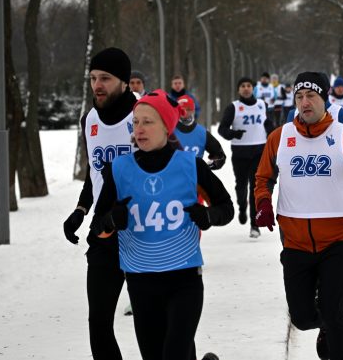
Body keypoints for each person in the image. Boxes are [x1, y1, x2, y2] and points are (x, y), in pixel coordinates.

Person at [254, 71, 343, 360]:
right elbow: (263, 177)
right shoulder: (280, 138)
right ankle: (325, 324)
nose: (305, 102)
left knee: (334, 313)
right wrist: (263, 203)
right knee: (302, 318)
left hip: (335, 242)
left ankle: (333, 326)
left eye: (311, 96)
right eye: (299, 97)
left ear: (325, 99)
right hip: (295, 244)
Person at [90, 89, 233, 360]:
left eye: (148, 121)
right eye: (136, 122)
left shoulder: (190, 165)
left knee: (175, 353)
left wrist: (209, 217)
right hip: (140, 282)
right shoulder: (119, 169)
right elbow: (97, 228)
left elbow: (226, 207)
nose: (139, 129)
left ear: (167, 126)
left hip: (184, 279)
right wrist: (111, 220)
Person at [62, 47, 136, 360]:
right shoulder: (89, 119)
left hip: (143, 230)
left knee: (155, 321)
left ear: (124, 82)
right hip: (104, 231)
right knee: (99, 323)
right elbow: (95, 174)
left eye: (105, 78)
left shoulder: (145, 114)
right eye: (93, 78)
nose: (97, 85)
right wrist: (80, 210)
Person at [218, 77, 275, 238]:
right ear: (238, 90)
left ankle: (254, 225)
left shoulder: (262, 105)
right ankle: (242, 206)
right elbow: (222, 129)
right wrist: (233, 134)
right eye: (242, 86)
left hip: (259, 151)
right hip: (240, 153)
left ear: (253, 88)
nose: (246, 88)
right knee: (241, 186)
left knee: (255, 188)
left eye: (249, 85)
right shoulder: (233, 107)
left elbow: (269, 124)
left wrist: (272, 131)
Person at [174, 95, 226, 170]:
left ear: (193, 111)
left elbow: (220, 156)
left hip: (194, 179)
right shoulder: (167, 131)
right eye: (182, 109)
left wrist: (212, 165)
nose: (185, 112)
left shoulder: (202, 133)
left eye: (188, 109)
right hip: (171, 178)